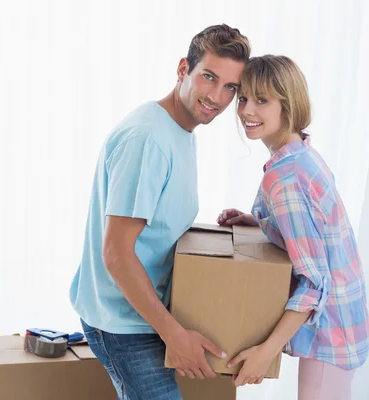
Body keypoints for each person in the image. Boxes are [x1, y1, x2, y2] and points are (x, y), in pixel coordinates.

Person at [69, 24, 250, 400]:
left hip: (146, 314)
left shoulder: (179, 131)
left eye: (230, 87)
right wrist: (174, 334)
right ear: (184, 68)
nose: (216, 97)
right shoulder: (148, 139)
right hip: (123, 323)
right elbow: (116, 253)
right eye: (209, 77)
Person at [217, 55, 369, 400]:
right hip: (344, 320)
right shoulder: (300, 154)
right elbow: (315, 230)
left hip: (331, 329)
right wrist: (264, 223)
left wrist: (264, 353)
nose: (245, 110)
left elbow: (315, 283)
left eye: (262, 100)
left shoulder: (285, 180)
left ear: (288, 104)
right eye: (243, 98)